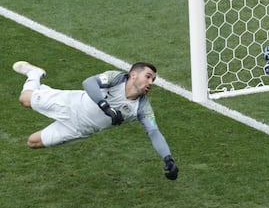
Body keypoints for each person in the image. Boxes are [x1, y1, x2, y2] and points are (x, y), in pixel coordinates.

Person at [13, 60, 179, 180]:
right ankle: (34, 74)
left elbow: (153, 131)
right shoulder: (117, 78)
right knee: (24, 100)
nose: (151, 82)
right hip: (70, 104)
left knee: (32, 142)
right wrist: (106, 107)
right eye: (148, 76)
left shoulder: (142, 107)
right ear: (133, 75)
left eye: (153, 80)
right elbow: (89, 82)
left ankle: (44, 91)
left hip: (78, 130)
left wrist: (168, 158)